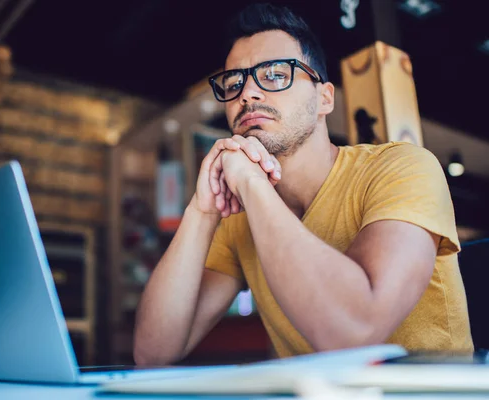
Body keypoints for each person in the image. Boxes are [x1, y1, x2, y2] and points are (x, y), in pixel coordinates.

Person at [133, 3, 473, 365]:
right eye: (234, 82)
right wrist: (201, 211)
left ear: (324, 98)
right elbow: (153, 352)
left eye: (276, 74)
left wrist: (250, 182)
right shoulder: (239, 218)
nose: (247, 94)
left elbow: (354, 330)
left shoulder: (402, 168)